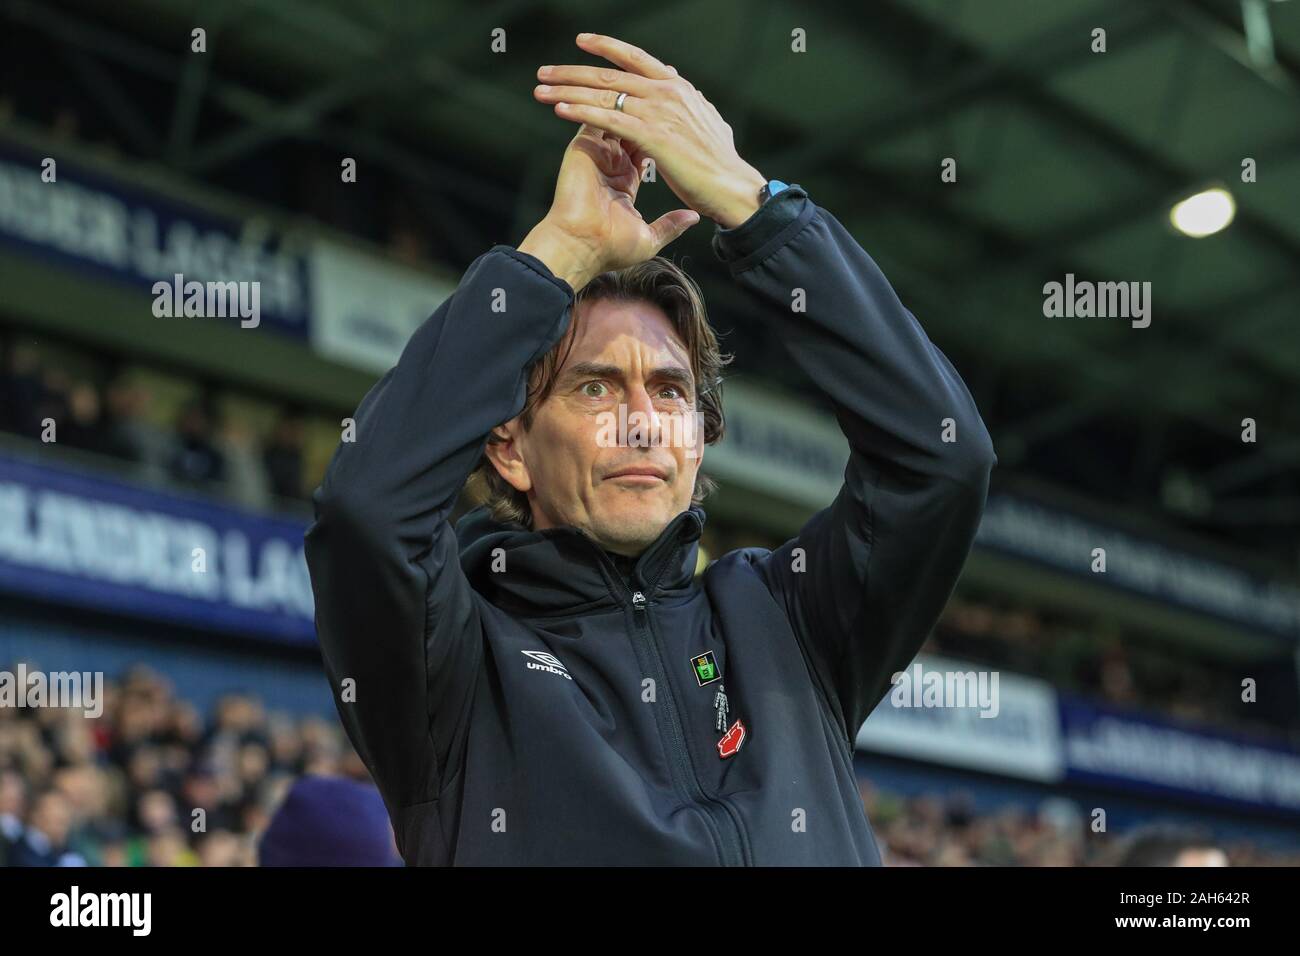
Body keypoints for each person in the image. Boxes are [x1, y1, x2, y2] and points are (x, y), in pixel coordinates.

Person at [305, 33, 995, 865]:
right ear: (510, 449)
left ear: (699, 442)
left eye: (670, 392)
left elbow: (942, 457)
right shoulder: (451, 666)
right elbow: (367, 512)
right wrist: (559, 250)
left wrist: (754, 204)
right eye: (594, 387)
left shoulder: (793, 621)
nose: (642, 422)